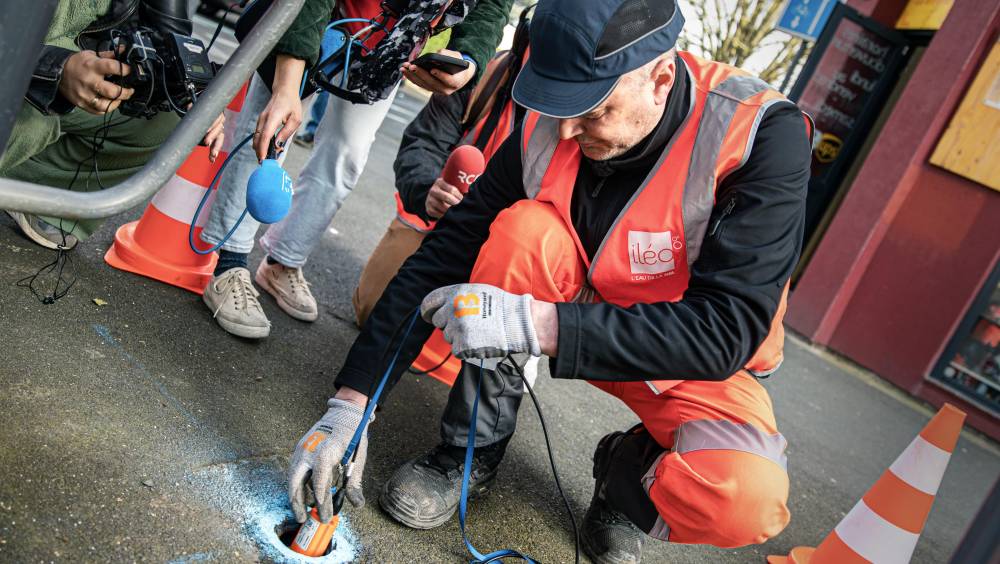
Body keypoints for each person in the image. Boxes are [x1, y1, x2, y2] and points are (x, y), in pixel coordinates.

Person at [286, 0, 813, 562]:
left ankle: (624, 481)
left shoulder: (757, 134)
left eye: (593, 109)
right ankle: (470, 452)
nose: (566, 129)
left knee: (744, 497)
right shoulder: (551, 124)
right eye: (560, 105)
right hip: (569, 297)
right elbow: (443, 256)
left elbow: (725, 329)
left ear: (660, 79)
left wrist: (534, 322)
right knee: (520, 233)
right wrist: (352, 405)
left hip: (684, 351)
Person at [199, 0, 513, 339]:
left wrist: (468, 59)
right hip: (314, 12)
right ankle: (228, 263)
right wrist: (285, 84)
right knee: (270, 129)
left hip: (392, 40)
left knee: (348, 152)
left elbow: (492, 6)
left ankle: (284, 259)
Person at [353, 9, 529, 387]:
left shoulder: (587, 115)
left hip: (507, 252)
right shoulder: (482, 72)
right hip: (439, 225)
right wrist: (428, 190)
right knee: (373, 312)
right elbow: (423, 143)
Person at [0, 0, 225, 250]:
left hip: (71, 69)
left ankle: (37, 196)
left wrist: (191, 90)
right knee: (32, 125)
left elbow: (168, 33)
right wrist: (57, 67)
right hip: (17, 67)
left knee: (171, 122)